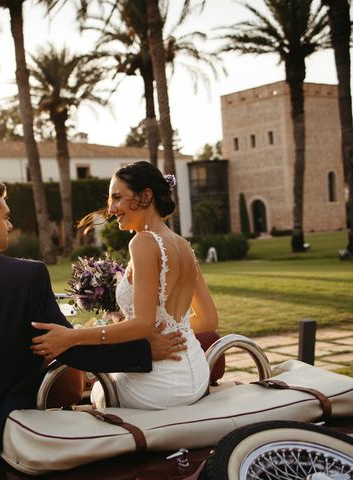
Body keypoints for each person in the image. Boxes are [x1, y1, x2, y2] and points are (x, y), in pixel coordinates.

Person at [0, 178, 185, 479]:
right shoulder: (27, 277)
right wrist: (144, 350)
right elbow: (69, 348)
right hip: (4, 439)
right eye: (5, 217)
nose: (9, 225)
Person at [32, 161, 218, 410]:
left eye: (117, 198)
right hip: (196, 373)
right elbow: (208, 320)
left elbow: (142, 324)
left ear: (146, 196)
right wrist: (171, 333)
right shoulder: (183, 245)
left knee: (97, 389)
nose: (110, 208)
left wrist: (71, 337)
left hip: (159, 385)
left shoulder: (142, 242)